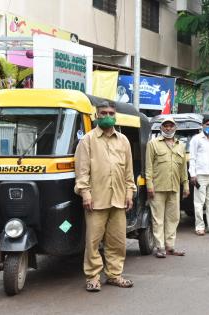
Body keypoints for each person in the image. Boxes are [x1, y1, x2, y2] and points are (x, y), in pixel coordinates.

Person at [74, 101, 136, 292]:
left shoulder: (123, 140)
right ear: (97, 115)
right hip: (96, 200)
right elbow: (82, 171)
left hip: (118, 198)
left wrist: (129, 192)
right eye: (104, 113)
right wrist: (85, 193)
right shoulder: (87, 140)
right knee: (93, 242)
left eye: (111, 112)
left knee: (117, 241)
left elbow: (128, 171)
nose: (108, 115)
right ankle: (92, 277)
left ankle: (114, 275)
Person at [146, 117, 189, 257]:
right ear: (161, 128)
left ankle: (170, 246)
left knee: (173, 218)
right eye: (166, 126)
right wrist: (149, 185)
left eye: (171, 126)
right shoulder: (153, 144)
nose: (168, 128)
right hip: (157, 187)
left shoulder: (180, 145)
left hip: (174, 188)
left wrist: (186, 185)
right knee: (158, 219)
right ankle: (160, 247)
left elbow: (183, 168)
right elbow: (149, 167)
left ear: (175, 128)